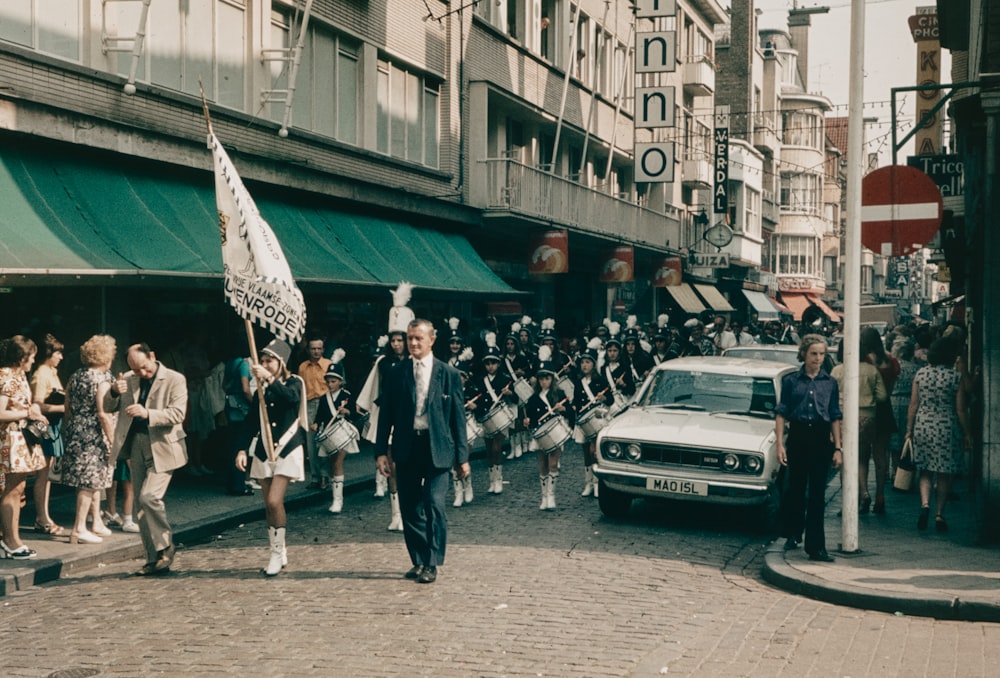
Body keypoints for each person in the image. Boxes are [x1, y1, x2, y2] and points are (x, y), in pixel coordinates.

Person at [374, 319, 469, 585]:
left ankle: (432, 562)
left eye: (419, 338)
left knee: (434, 503)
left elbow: (458, 419)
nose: (413, 343)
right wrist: (381, 451)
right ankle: (418, 558)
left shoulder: (448, 374)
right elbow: (386, 415)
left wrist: (463, 457)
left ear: (431, 340)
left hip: (437, 448)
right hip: (407, 446)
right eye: (410, 338)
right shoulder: (397, 372)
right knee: (410, 506)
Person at [105, 342, 188, 576]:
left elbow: (178, 413)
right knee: (141, 506)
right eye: (136, 369)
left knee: (149, 496)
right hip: (136, 445)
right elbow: (108, 406)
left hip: (163, 445)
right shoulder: (130, 378)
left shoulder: (175, 379)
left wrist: (148, 413)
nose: (141, 373)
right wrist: (113, 391)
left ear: (152, 355)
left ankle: (166, 545)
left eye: (144, 368)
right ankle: (153, 559)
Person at [236, 338, 307, 575]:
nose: (264, 364)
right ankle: (278, 548)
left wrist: (268, 378)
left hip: (287, 447)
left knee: (276, 501)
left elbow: (291, 399)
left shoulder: (294, 382)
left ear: (281, 362)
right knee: (268, 505)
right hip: (265, 449)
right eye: (262, 361)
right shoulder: (262, 389)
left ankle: (276, 555)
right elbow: (251, 421)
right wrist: (242, 448)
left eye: (269, 361)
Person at [775, 334, 843, 563]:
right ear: (803, 354)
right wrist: (780, 445)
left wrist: (838, 447)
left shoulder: (829, 383)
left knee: (817, 494)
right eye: (814, 353)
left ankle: (816, 547)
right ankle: (793, 532)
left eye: (822, 354)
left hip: (820, 438)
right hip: (798, 436)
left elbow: (834, 415)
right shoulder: (792, 381)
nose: (818, 358)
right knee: (795, 490)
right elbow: (781, 412)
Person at [355, 282, 414, 531]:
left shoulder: (415, 363)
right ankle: (396, 513)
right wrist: (364, 405)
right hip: (388, 418)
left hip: (410, 419)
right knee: (391, 465)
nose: (396, 344)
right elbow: (373, 388)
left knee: (409, 466)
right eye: (394, 340)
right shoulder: (383, 362)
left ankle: (409, 508)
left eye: (401, 340)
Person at [906, 337, 970, 532]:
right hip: (946, 426)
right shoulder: (954, 377)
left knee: (925, 470)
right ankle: (939, 514)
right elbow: (960, 409)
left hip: (923, 425)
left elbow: (913, 404)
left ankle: (924, 504)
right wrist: (967, 433)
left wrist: (909, 430)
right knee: (944, 473)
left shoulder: (921, 374)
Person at [62, 335, 118, 545]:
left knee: (92, 481)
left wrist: (72, 427)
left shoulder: (77, 375)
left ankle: (96, 522)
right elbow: (103, 413)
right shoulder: (101, 380)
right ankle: (79, 528)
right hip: (93, 434)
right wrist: (112, 439)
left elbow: (67, 406)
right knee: (89, 482)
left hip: (77, 431)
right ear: (107, 357)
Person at [0, 336, 49, 559]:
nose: (33, 361)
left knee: (18, 489)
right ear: (21, 357)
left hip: (20, 438)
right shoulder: (5, 376)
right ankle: (9, 540)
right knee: (12, 489)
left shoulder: (19, 376)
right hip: (9, 438)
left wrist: (34, 413)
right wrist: (26, 413)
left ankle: (14, 538)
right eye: (31, 357)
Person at [831, 336, 888, 515]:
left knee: (846, 459)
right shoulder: (872, 370)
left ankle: (851, 499)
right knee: (862, 457)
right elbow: (882, 397)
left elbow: (830, 396)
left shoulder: (837, 371)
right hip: (867, 418)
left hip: (843, 417)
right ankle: (863, 493)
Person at [524, 345, 575, 510]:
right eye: (541, 378)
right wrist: (527, 422)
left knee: (553, 463)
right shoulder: (533, 399)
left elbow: (571, 414)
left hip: (555, 432)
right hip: (541, 435)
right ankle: (544, 497)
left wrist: (564, 409)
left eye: (547, 378)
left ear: (552, 379)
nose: (544, 381)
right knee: (543, 465)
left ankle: (551, 496)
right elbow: (531, 421)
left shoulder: (559, 394)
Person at [29, 333, 68, 537]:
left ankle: (44, 516)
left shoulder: (51, 372)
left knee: (48, 475)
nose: (61, 357)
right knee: (43, 475)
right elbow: (37, 404)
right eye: (58, 353)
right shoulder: (42, 374)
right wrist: (62, 407)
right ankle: (42, 518)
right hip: (45, 427)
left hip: (53, 426)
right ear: (49, 354)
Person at [313, 349, 359, 514]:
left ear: (340, 381)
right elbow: (320, 415)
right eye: (329, 381)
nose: (330, 384)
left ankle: (337, 501)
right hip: (329, 431)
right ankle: (336, 495)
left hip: (342, 432)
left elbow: (354, 413)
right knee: (332, 465)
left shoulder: (347, 395)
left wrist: (347, 412)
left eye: (333, 381)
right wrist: (316, 424)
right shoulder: (324, 398)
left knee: (338, 463)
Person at [862, 326, 899, 514]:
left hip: (866, 408)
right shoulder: (890, 361)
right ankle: (880, 495)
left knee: (861, 456)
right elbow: (891, 388)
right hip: (884, 409)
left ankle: (864, 493)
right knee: (880, 455)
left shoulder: (865, 361)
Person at [471, 333, 515, 495]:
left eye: (493, 363)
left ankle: (499, 479)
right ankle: (492, 480)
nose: (490, 366)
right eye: (488, 363)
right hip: (486, 417)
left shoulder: (504, 379)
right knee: (489, 450)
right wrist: (476, 407)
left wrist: (509, 392)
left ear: (498, 364)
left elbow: (516, 397)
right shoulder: (480, 381)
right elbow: (480, 400)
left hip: (500, 417)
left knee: (497, 448)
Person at [572, 338, 611, 497]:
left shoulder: (600, 380)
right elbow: (575, 400)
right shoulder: (578, 382)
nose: (585, 365)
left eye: (588, 362)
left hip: (596, 421)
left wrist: (604, 398)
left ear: (594, 364)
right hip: (583, 421)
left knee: (594, 452)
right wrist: (574, 407)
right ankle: (588, 483)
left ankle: (597, 484)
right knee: (586, 453)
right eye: (583, 362)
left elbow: (611, 400)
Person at [298, 336, 332, 490]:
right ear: (308, 350)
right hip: (309, 405)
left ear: (323, 350)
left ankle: (325, 476)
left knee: (323, 442)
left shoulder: (329, 364)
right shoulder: (303, 367)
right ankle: (315, 477)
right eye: (313, 348)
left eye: (319, 348)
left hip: (325, 403)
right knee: (311, 443)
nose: (316, 351)